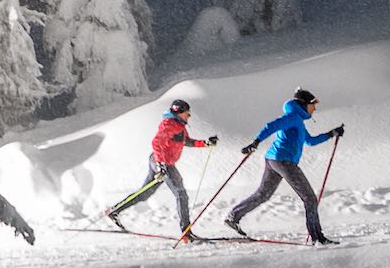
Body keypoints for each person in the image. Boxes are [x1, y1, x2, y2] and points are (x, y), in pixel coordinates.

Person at [225, 87, 344, 245]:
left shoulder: (298, 121)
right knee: (309, 198)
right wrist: (256, 142)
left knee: (263, 194)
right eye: (312, 105)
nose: (314, 108)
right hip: (284, 162)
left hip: (273, 160)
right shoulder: (293, 117)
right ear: (303, 104)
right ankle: (318, 238)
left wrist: (331, 133)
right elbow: (271, 126)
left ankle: (233, 217)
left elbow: (310, 141)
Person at [106, 99, 218, 237]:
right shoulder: (169, 124)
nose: (189, 116)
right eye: (187, 113)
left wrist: (206, 143)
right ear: (180, 112)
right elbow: (156, 143)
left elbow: (186, 141)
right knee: (181, 195)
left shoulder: (179, 126)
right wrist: (161, 166)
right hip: (163, 163)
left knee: (145, 193)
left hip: (160, 162)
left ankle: (114, 211)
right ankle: (186, 232)